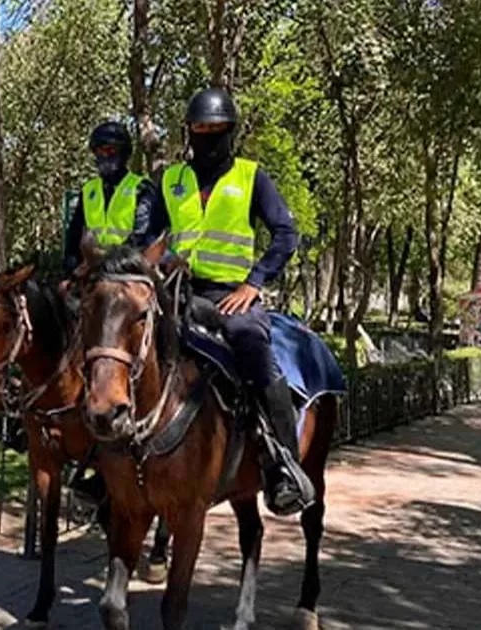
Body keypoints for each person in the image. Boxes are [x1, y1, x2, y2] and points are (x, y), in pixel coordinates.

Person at [143, 87, 310, 516]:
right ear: (190, 132)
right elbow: (150, 238)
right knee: (125, 341)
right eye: (200, 129)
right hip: (177, 291)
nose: (208, 136)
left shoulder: (251, 177)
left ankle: (283, 465)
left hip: (230, 296)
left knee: (250, 343)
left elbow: (285, 234)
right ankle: (106, 467)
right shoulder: (171, 180)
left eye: (216, 130)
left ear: (230, 133)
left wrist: (254, 283)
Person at [61, 121, 156, 278]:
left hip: (128, 270)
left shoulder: (141, 188)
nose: (104, 156)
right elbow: (74, 237)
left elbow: (142, 238)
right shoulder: (89, 190)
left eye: (110, 150)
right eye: (99, 151)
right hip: (91, 271)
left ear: (123, 153)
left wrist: (106, 261)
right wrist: (70, 271)